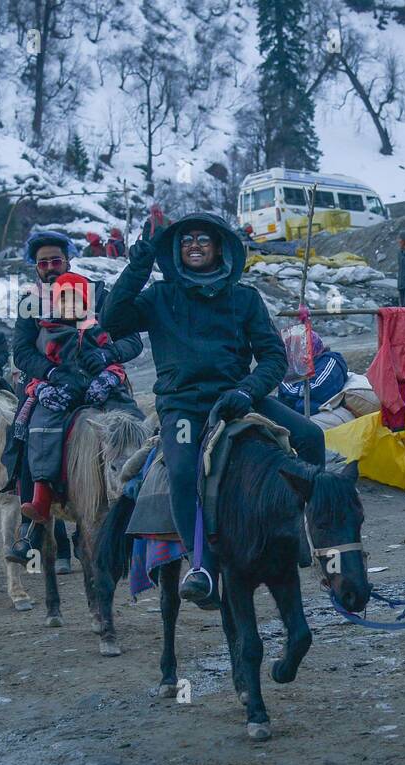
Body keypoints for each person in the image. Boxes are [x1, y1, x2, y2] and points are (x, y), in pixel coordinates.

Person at [101, 211, 326, 607]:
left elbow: (273, 357)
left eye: (203, 239)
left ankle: (308, 532)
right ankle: (201, 566)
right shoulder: (158, 297)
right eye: (186, 240)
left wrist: (247, 390)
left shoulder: (244, 298)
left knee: (311, 436)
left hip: (240, 398)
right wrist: (139, 264)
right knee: (185, 468)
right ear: (175, 249)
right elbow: (113, 321)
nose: (194, 245)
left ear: (220, 246)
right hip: (185, 408)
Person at [5, 228, 144, 570]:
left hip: (101, 381)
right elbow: (21, 351)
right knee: (26, 433)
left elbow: (133, 340)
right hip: (53, 384)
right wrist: (50, 376)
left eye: (56, 260)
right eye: (43, 262)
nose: (50, 267)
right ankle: (33, 520)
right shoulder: (30, 300)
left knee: (136, 427)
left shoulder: (98, 292)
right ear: (34, 267)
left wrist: (109, 357)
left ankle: (150, 500)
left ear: (68, 260)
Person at [20, 271, 144, 524]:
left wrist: (106, 375)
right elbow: (36, 362)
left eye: (76, 300)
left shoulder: (96, 328)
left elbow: (113, 355)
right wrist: (49, 383)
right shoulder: (47, 330)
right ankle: (42, 493)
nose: (70, 306)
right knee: (43, 427)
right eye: (64, 300)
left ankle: (146, 478)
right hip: (61, 391)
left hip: (99, 389)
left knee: (133, 420)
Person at [277, 331, 348, 415]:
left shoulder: (330, 361)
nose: (294, 354)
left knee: (300, 405)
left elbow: (317, 389)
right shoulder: (298, 364)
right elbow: (283, 388)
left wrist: (295, 394)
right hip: (298, 408)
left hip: (312, 409)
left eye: (298, 348)